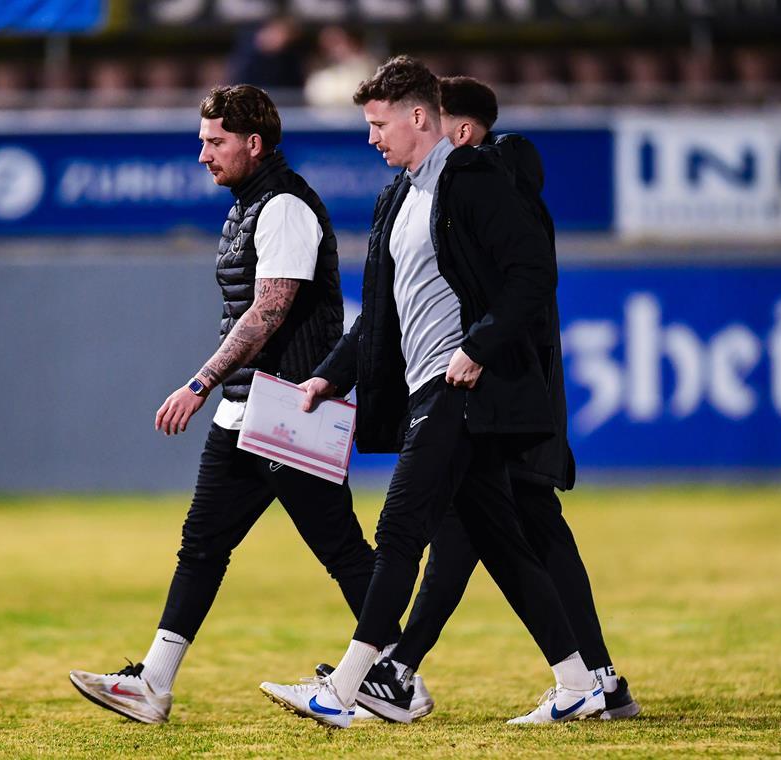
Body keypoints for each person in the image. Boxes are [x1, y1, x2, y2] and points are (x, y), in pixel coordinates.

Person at [258, 56, 604, 728]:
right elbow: (382, 314)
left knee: (398, 530)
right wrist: (330, 373)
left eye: (378, 123)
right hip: (426, 389)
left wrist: (478, 346)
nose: (370, 138)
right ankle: (577, 681)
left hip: (459, 388)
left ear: (420, 117)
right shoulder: (397, 198)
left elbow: (532, 274)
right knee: (501, 541)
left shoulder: (475, 180)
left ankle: (349, 686)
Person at [68, 84, 389, 724]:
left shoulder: (286, 207)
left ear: (253, 142)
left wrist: (199, 382)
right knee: (204, 544)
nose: (203, 155)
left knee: (343, 553)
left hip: (288, 411)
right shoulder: (250, 205)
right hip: (250, 412)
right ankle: (152, 684)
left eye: (214, 142)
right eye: (201, 142)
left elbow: (267, 311)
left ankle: (397, 675)